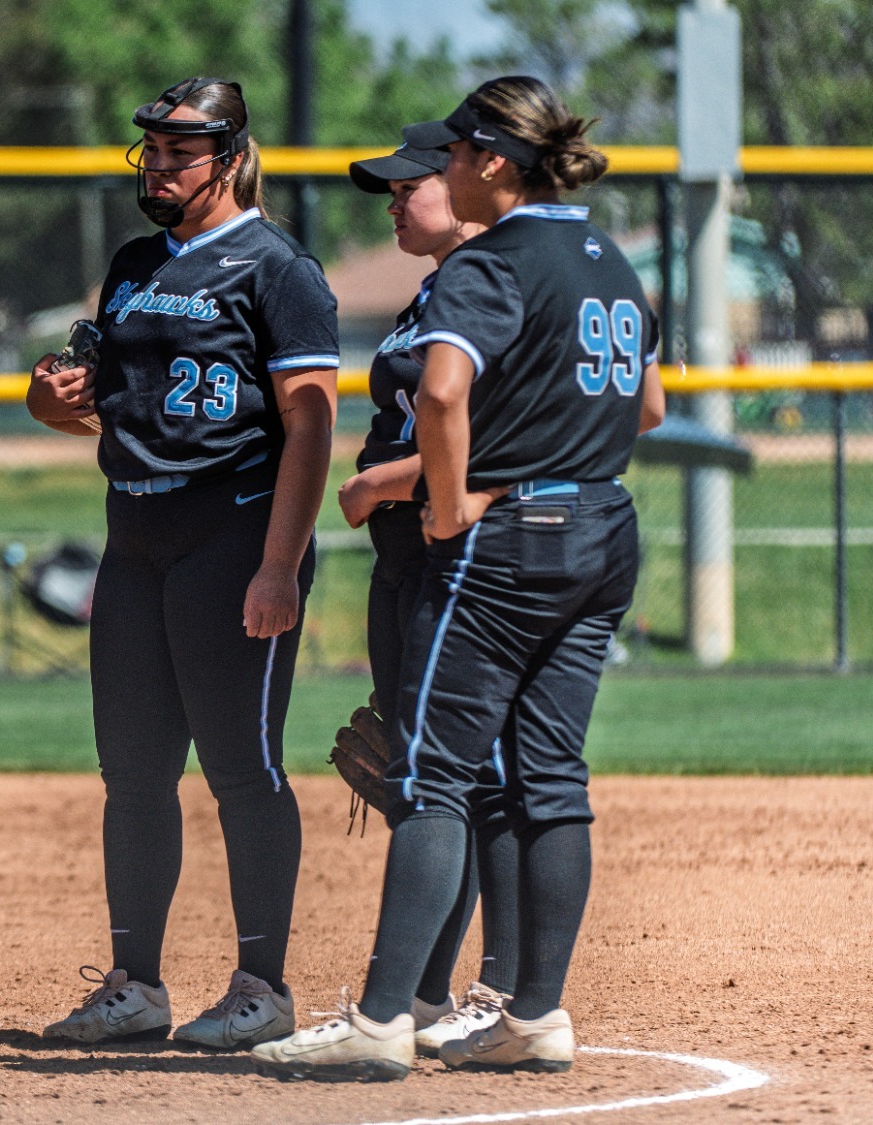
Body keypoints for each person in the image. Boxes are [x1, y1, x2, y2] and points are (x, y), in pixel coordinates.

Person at [253, 76, 668, 1083]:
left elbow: (441, 393)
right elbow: (647, 406)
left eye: (445, 157)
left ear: (488, 160)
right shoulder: (606, 257)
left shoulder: (492, 260)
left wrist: (446, 502)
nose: (434, 172)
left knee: (432, 777)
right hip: (604, 527)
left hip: (507, 542)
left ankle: (384, 1017)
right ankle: (533, 1013)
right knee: (550, 778)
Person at [27, 77, 340, 1052]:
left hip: (231, 535)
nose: (157, 165)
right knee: (131, 773)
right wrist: (52, 398)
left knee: (241, 770)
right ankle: (136, 987)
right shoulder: (128, 265)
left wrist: (278, 565)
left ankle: (262, 986)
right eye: (150, 150)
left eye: (179, 150)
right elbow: (78, 406)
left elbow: (309, 426)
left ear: (230, 158)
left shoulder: (276, 268)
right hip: (134, 539)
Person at [334, 130, 519, 1057]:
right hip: (407, 555)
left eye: (411, 186)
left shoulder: (490, 283)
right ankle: (429, 988)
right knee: (428, 771)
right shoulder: (431, 292)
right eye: (390, 192)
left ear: (461, 181)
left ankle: (504, 984)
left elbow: (491, 439)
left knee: (477, 774)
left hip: (464, 550)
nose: (395, 203)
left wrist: (380, 483)